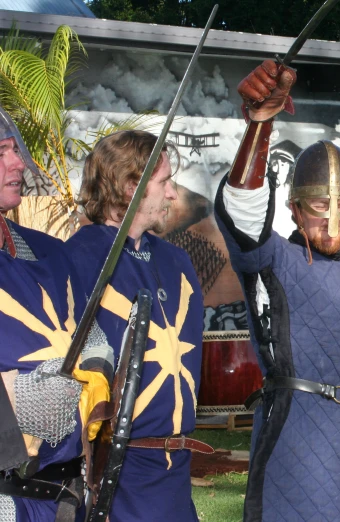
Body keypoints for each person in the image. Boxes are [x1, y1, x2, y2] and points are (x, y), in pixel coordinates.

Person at [215, 60, 340, 522]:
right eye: (317, 205)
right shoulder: (273, 261)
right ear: (293, 209)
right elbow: (243, 213)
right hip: (296, 441)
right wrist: (260, 128)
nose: (332, 221)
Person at [65, 130, 207, 522]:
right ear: (131, 188)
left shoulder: (176, 263)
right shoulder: (81, 260)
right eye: (164, 182)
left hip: (175, 474)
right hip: (117, 475)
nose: (174, 194)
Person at [0, 107, 110, 522]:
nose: (17, 164)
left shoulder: (48, 250)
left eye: (14, 150)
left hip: (68, 494)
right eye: (0, 153)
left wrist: (99, 369)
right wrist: (24, 398)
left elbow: (90, 333)